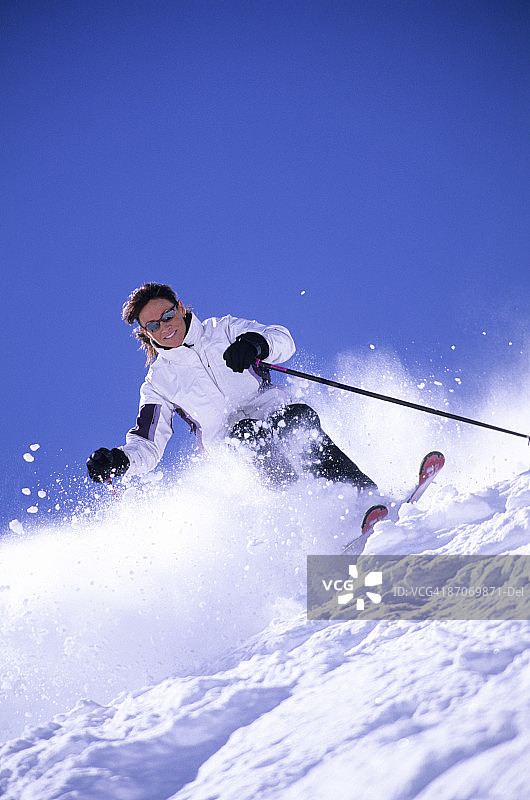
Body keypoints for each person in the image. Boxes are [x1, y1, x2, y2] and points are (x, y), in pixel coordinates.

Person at [87, 282, 376, 492]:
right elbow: (148, 444)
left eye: (167, 315)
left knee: (296, 419)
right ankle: (304, 506)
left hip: (274, 412)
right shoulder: (159, 383)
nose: (164, 327)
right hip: (230, 445)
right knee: (246, 435)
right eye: (152, 326)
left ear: (181, 308)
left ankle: (362, 496)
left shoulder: (222, 330)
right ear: (144, 333)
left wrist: (256, 344)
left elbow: (282, 339)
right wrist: (121, 459)